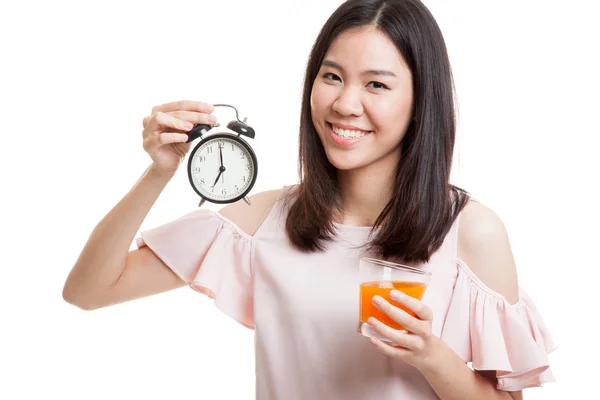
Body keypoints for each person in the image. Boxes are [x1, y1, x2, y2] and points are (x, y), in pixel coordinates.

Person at [62, 0, 556, 398]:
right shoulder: (264, 219)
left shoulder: (470, 231)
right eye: (332, 76)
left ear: (420, 101)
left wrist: (430, 354)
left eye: (377, 84)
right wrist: (158, 172)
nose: (344, 104)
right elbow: (88, 290)